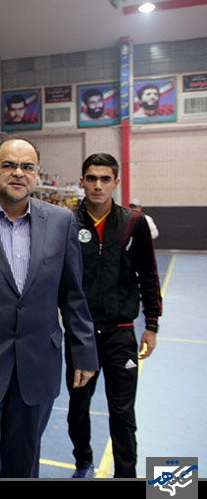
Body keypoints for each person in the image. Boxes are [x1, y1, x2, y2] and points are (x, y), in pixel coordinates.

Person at [0, 137, 98, 478]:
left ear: (37, 173)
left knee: (22, 466)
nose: (18, 173)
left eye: (27, 167)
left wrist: (84, 351)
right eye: (9, 165)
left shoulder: (61, 222)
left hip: (37, 365)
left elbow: (72, 294)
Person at [67, 153, 162, 479]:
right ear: (82, 182)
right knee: (77, 408)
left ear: (116, 183)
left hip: (121, 334)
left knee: (122, 412)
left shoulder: (134, 223)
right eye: (92, 178)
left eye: (105, 179)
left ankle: (126, 473)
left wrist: (151, 325)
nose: (98, 185)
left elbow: (149, 276)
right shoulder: (68, 223)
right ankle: (83, 463)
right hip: (81, 336)